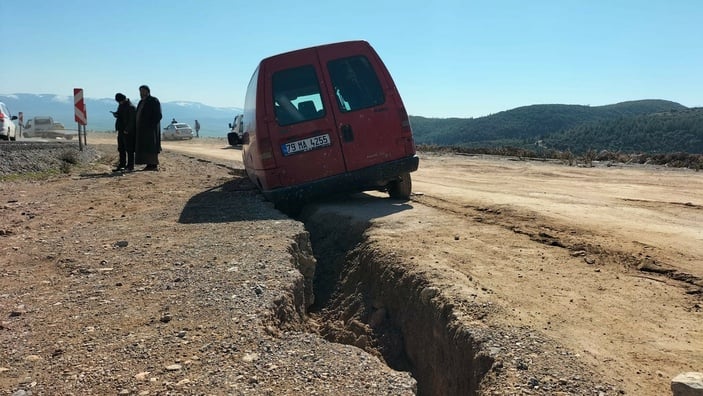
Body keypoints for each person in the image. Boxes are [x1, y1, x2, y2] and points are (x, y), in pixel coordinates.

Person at [135, 85, 162, 171]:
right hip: (142, 129)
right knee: (145, 146)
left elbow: (158, 115)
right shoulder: (141, 102)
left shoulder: (154, 100)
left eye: (143, 91)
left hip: (151, 129)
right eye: (140, 91)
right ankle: (148, 164)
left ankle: (153, 165)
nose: (141, 93)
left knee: (151, 146)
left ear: (148, 91)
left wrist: (151, 125)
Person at [112, 93, 137, 172]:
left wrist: (127, 129)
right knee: (121, 149)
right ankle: (122, 165)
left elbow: (132, 120)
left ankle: (130, 166)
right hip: (121, 130)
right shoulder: (121, 105)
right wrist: (116, 114)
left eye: (120, 101)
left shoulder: (131, 107)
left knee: (129, 149)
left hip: (128, 132)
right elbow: (120, 115)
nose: (119, 103)